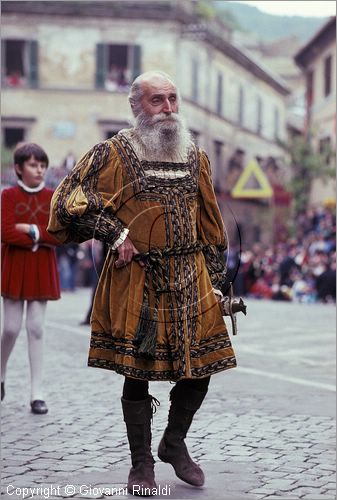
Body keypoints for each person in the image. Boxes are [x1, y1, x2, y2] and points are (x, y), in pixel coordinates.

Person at [47, 71, 236, 495]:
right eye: (157, 100)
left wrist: (220, 284)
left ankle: (174, 442)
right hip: (138, 279)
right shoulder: (111, 153)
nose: (168, 108)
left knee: (204, 365)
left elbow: (210, 225)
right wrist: (115, 233)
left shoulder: (195, 156)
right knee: (138, 372)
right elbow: (66, 203)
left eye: (173, 98)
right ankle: (142, 464)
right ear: (137, 107)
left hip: (191, 276)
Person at [1, 143, 61, 414]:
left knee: (36, 328)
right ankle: (0, 374)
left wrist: (31, 231)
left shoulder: (53, 196)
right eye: (33, 165)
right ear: (19, 168)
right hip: (14, 265)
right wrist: (39, 235)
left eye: (42, 165)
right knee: (11, 328)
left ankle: (37, 392)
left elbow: (58, 234)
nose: (39, 170)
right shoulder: (9, 196)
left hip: (41, 267)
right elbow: (5, 232)